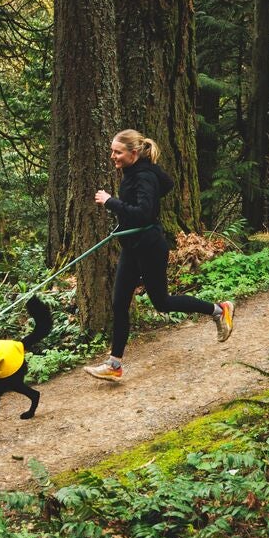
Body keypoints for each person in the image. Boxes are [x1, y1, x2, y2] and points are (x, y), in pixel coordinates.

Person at [84, 130, 234, 382]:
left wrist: (111, 202)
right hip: (132, 247)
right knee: (119, 303)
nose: (113, 156)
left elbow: (143, 213)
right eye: (112, 151)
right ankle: (114, 364)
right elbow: (166, 185)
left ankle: (219, 310)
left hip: (150, 247)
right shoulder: (139, 172)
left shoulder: (144, 176)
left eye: (118, 152)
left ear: (133, 153)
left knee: (161, 301)